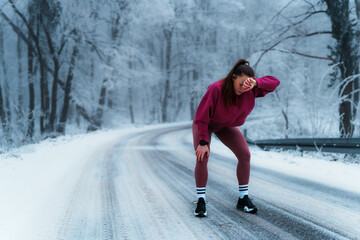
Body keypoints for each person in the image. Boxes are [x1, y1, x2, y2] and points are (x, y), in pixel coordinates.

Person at [192, 59, 280, 217]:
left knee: (245, 155)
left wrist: (255, 83)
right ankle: (200, 201)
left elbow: (274, 82)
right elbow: (202, 117)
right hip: (205, 125)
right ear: (233, 77)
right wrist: (203, 142)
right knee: (202, 157)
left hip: (225, 126)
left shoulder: (250, 90)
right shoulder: (216, 89)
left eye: (247, 83)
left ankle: (243, 199)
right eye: (241, 83)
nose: (244, 87)